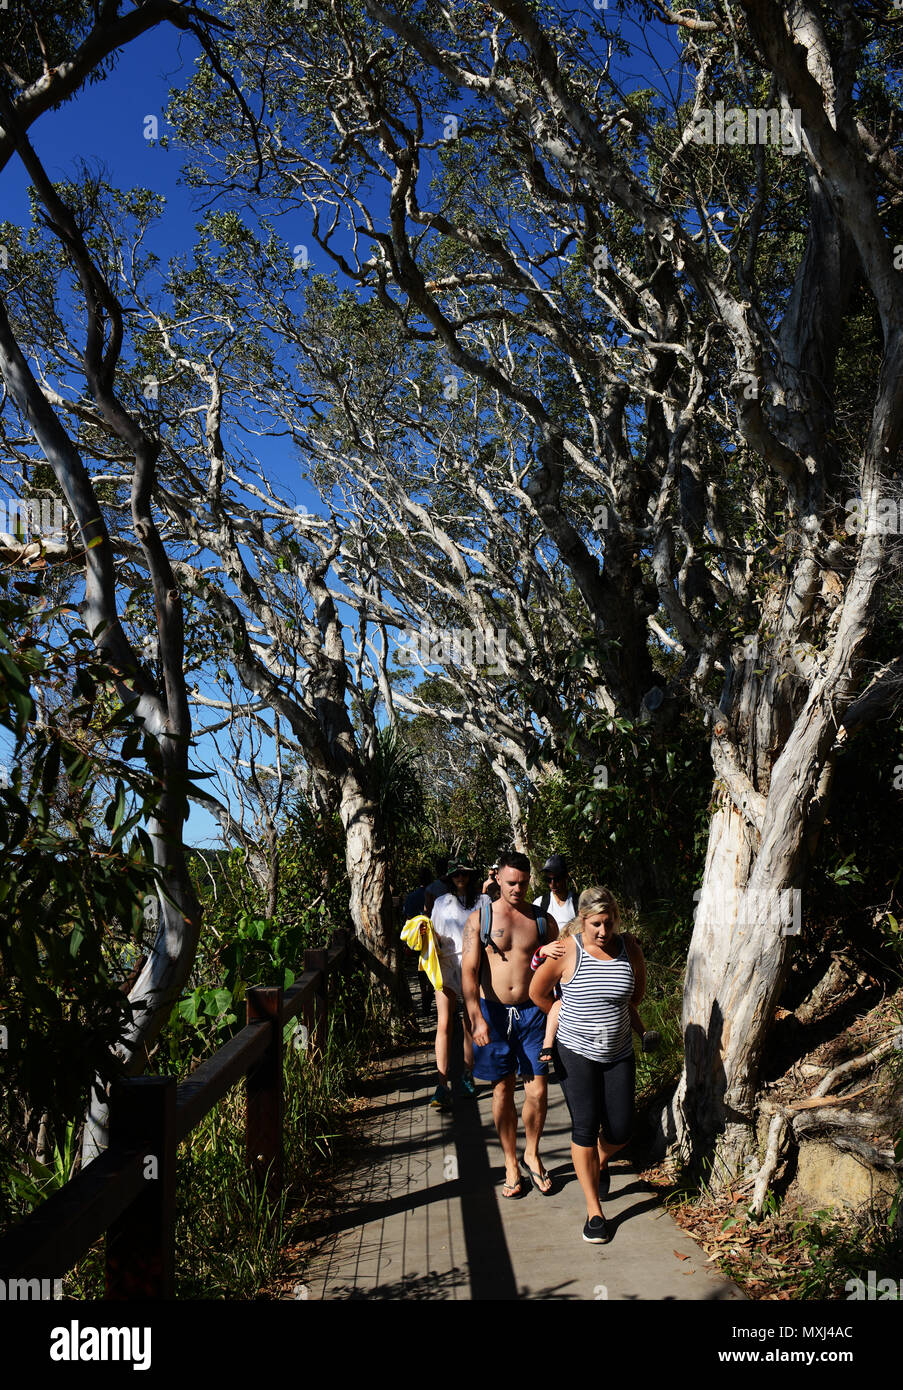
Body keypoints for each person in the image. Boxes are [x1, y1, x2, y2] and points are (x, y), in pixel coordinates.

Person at [529, 886, 646, 1244]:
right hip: (574, 1051)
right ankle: (595, 1211)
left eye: (608, 923)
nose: (602, 931)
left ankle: (597, 1159)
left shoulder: (630, 948)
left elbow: (635, 993)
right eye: (596, 924)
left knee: (621, 1129)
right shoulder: (567, 951)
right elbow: (537, 992)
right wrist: (562, 1015)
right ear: (583, 920)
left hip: (619, 1050)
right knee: (585, 1123)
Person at [462, 851, 559, 1198]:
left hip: (534, 1013)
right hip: (494, 1013)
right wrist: (476, 1019)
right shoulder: (480, 919)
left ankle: (532, 1154)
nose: (517, 888)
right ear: (498, 879)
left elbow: (559, 970)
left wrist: (557, 1013)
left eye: (523, 882)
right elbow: (469, 974)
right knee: (502, 1089)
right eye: (511, 882)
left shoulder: (543, 921)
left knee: (538, 1088)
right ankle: (510, 1162)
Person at [429, 861, 478, 1110]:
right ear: (449, 877)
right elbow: (434, 935)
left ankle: (468, 1075)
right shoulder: (441, 903)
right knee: (444, 1023)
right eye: (456, 874)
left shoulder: (482, 902)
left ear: (471, 876)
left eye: (464, 873)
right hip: (446, 965)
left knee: (469, 1022)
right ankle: (442, 1083)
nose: (460, 877)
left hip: (472, 966)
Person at [403, 866, 435, 1018]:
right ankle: (429, 993)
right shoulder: (436, 895)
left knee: (421, 968)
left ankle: (424, 995)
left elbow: (408, 920)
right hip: (433, 937)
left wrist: (407, 942)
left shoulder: (412, 896)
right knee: (432, 966)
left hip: (418, 938)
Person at [534, 854, 578, 929]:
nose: (552, 884)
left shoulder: (578, 902)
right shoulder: (540, 903)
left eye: (557, 879)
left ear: (565, 877)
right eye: (548, 880)